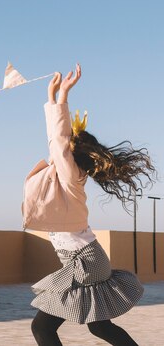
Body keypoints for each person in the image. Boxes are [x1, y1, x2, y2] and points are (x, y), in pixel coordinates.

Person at [23, 65, 156, 346]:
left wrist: (60, 97)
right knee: (100, 327)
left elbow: (58, 141)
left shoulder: (70, 176)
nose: (61, 147)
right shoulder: (69, 176)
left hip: (82, 261)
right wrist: (53, 97)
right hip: (89, 259)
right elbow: (56, 143)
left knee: (42, 328)